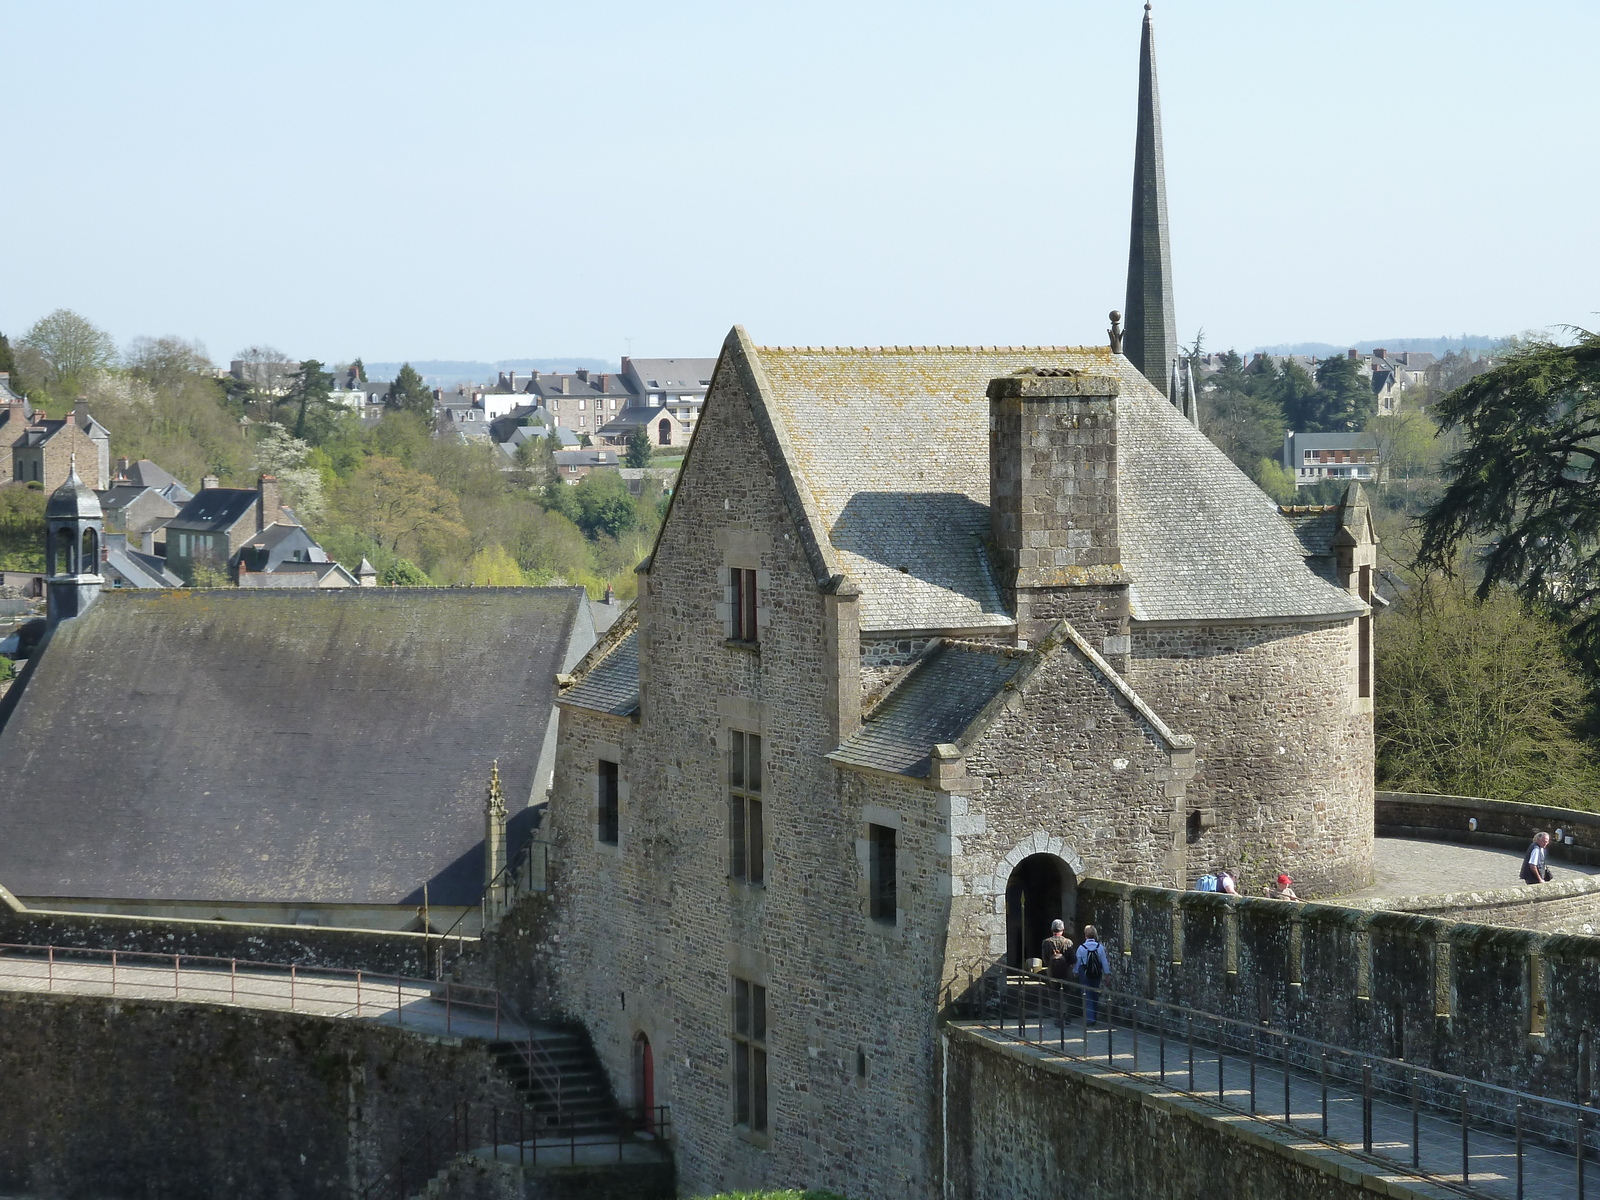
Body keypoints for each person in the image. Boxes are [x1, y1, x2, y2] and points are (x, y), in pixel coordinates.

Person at [1075, 925, 1110, 1025]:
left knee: (1086, 995)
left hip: (1084, 973)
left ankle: (1090, 1019)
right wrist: (1107, 974)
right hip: (1096, 973)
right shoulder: (1100, 947)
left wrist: (1075, 971)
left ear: (1085, 935)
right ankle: (1094, 1016)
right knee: (1095, 994)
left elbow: (1078, 962)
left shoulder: (1081, 948)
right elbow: (1104, 962)